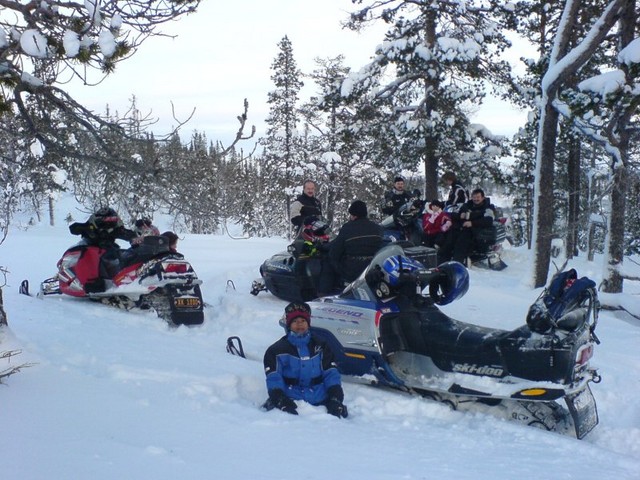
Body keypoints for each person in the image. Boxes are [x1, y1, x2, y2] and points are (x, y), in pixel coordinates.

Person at [262, 302, 348, 418]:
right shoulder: (275, 351)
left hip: (320, 398)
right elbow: (274, 377)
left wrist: (335, 397)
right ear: (289, 324)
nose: (299, 324)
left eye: (303, 321)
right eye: (295, 321)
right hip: (290, 399)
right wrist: (280, 399)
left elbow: (331, 373)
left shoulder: (321, 346)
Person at [68, 207, 137, 291]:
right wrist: (84, 229)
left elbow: (126, 233)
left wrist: (134, 238)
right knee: (87, 255)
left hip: (108, 249)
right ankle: (89, 281)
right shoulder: (91, 226)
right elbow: (74, 228)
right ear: (100, 219)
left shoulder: (115, 228)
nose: (110, 221)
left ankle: (120, 281)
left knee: (124, 256)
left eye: (113, 219)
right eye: (108, 219)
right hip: (89, 247)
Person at [328, 200, 384, 287]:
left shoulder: (347, 228)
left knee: (329, 262)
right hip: (372, 270)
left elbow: (334, 252)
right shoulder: (377, 228)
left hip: (352, 272)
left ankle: (324, 291)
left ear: (354, 215)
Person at [448, 188, 495, 265]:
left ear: (483, 198)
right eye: (474, 197)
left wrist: (472, 223)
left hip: (478, 232)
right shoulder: (467, 205)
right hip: (462, 229)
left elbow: (488, 220)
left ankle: (457, 262)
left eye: (478, 197)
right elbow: (454, 215)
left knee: (463, 240)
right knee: (449, 235)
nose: (476, 199)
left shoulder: (488, 207)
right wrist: (460, 215)